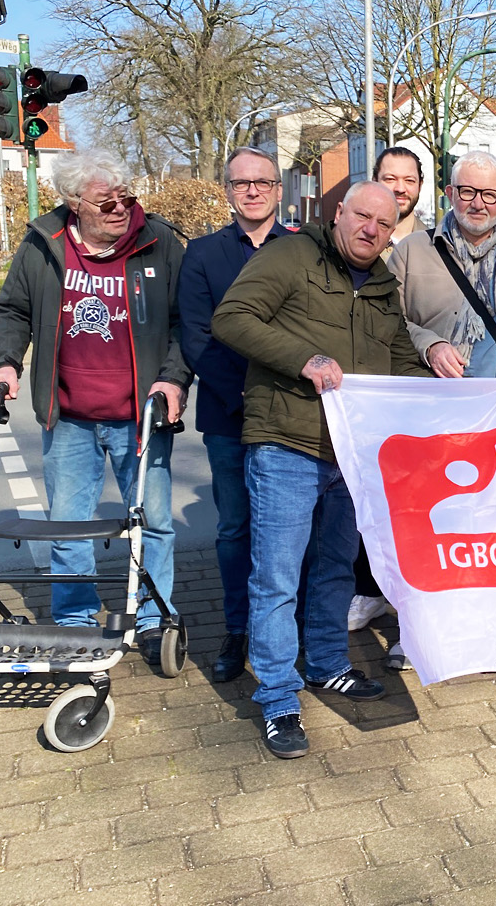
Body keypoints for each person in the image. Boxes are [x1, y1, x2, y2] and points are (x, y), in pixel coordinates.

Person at [211, 181, 428, 759]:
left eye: (384, 224)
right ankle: (278, 697)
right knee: (277, 578)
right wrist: (302, 359)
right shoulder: (290, 255)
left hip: (352, 453)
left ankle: (328, 663)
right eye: (362, 216)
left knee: (335, 567)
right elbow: (231, 318)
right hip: (287, 442)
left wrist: (455, 397)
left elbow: (400, 360)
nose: (370, 230)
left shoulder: (382, 284)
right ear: (339, 213)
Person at [0, 149, 188, 664]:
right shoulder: (44, 243)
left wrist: (173, 380)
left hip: (140, 414)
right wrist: (7, 362)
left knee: (154, 522)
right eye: (106, 202)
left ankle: (154, 616)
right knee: (68, 525)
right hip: (69, 415)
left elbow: (186, 323)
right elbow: (14, 310)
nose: (120, 209)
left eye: (126, 198)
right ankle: (75, 620)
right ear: (75, 203)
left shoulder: (158, 241)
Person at [386, 149, 496, 671]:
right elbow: (386, 322)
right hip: (428, 422)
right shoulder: (412, 252)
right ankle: (416, 635)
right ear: (449, 193)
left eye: (489, 194)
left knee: (487, 533)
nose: (477, 203)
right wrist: (429, 345)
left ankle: (483, 634)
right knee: (422, 530)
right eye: (467, 191)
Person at [178, 147, 289, 683]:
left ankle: (288, 631)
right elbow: (197, 336)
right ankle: (237, 629)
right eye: (241, 183)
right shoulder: (202, 254)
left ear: (278, 190)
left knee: (289, 531)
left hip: (291, 414)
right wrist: (244, 398)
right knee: (235, 528)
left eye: (262, 182)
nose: (252, 191)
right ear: (227, 190)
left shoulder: (303, 249)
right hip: (229, 415)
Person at [346, 145, 431, 634]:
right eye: (389, 178)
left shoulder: (434, 245)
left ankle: (409, 605)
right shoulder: (357, 237)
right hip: (366, 395)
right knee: (366, 503)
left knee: (412, 506)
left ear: (421, 187)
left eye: (408, 180)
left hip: (414, 392)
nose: (399, 188)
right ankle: (368, 590)